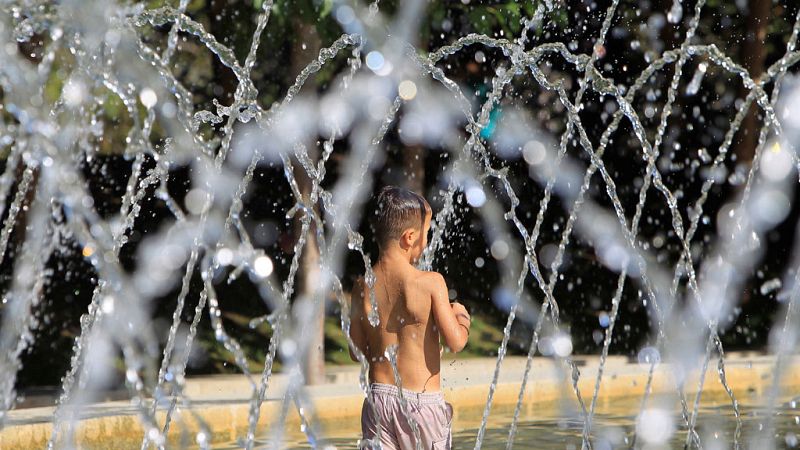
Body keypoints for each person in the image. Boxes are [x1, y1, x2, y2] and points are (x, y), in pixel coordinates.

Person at [349, 185, 471, 450]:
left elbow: (355, 350)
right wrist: (461, 316)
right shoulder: (430, 283)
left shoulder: (362, 285)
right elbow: (455, 342)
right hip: (421, 407)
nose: (426, 242)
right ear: (409, 237)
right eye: (426, 234)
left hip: (378, 401)